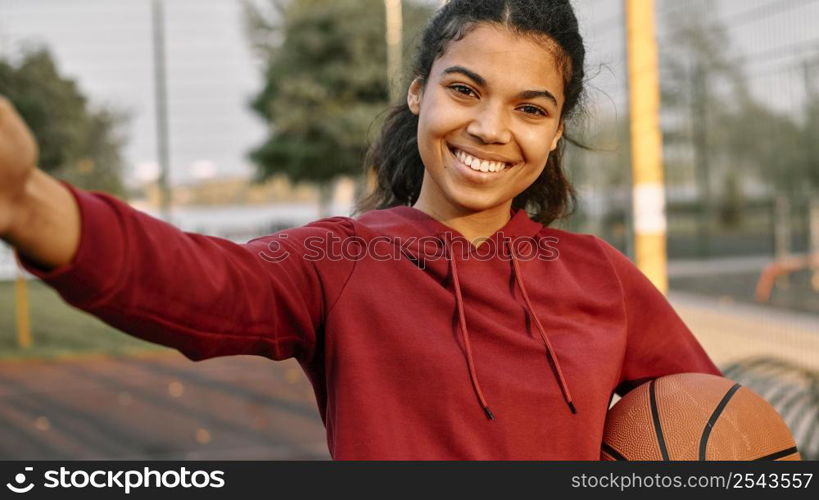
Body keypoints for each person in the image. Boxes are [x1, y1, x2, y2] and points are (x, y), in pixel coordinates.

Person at [0, 0, 720, 460]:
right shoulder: (339, 260)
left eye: (530, 109)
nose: (489, 128)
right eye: (464, 89)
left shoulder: (601, 278)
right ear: (418, 92)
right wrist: (26, 204)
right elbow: (191, 278)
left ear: (556, 129)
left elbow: (713, 426)